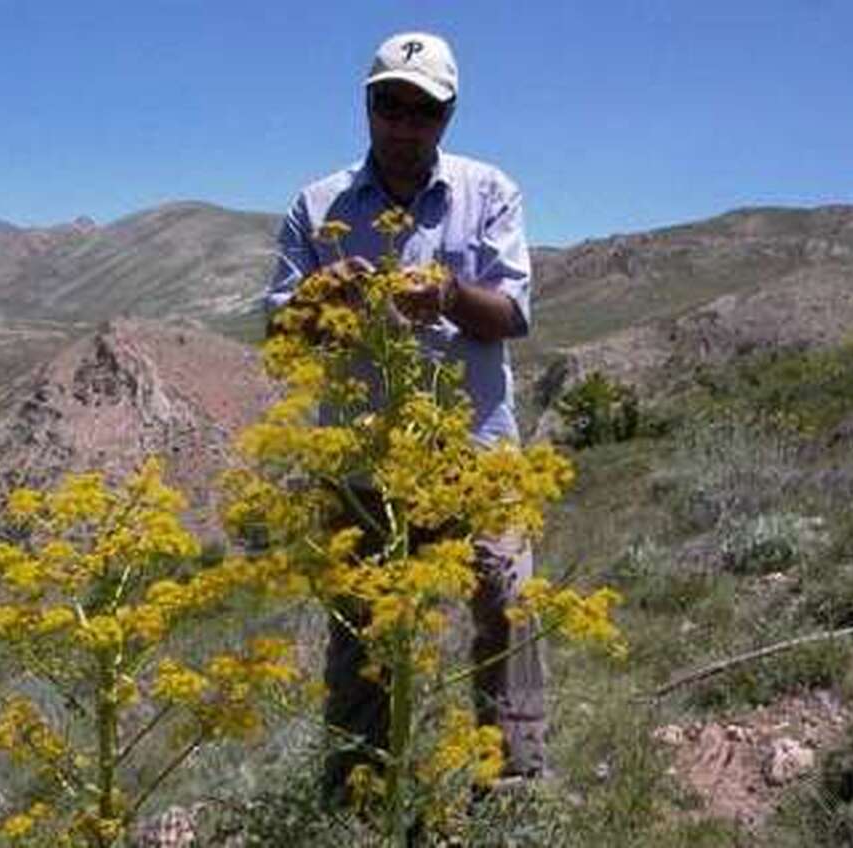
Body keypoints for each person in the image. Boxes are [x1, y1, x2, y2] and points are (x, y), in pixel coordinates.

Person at [265, 31, 546, 799]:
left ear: (447, 117)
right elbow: (280, 334)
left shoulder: (490, 193)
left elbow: (514, 312)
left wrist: (451, 296)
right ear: (367, 107)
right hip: (364, 466)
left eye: (421, 109)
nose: (403, 122)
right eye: (389, 104)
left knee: (509, 609)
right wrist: (328, 296)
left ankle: (511, 787)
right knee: (364, 632)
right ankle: (359, 793)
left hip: (474, 455)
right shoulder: (317, 206)